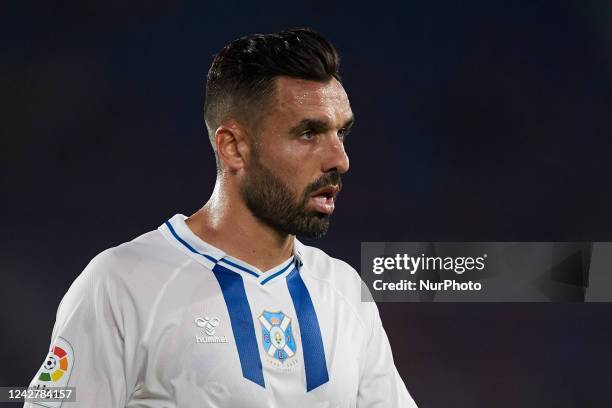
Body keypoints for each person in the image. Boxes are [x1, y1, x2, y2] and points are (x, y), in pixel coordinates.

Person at [26, 28, 418, 407]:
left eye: (341, 133)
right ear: (233, 148)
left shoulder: (345, 292)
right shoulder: (121, 283)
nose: (339, 159)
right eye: (308, 134)